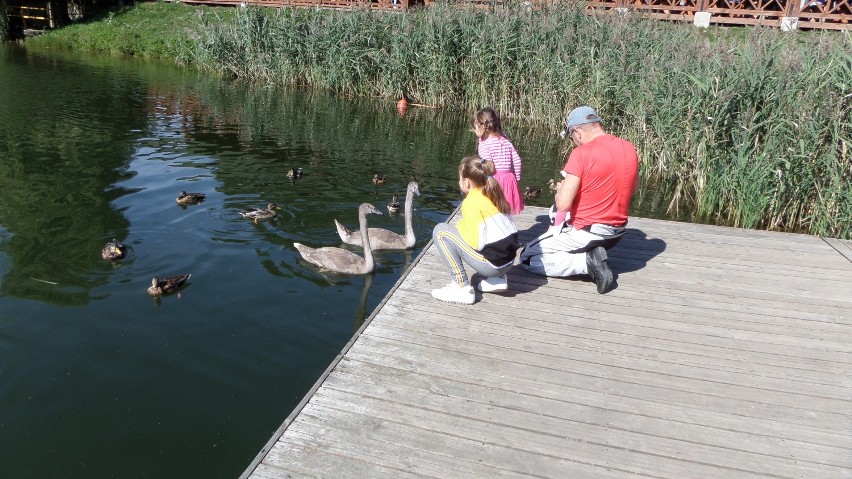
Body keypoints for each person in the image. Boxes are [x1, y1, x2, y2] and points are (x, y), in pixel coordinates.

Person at [520, 106, 639, 294]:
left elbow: (563, 204)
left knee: (527, 257)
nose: (573, 142)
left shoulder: (581, 153)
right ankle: (591, 256)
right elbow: (632, 188)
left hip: (588, 232)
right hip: (616, 233)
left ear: (577, 131)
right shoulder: (629, 147)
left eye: (571, 137)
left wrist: (561, 190)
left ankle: (587, 263)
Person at [431, 155, 521, 305]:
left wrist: (461, 226)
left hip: (493, 266)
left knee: (441, 231)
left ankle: (461, 287)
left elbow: (475, 243)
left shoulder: (471, 201)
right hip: (508, 262)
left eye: (459, 178)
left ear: (466, 181)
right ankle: (497, 280)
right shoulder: (493, 194)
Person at [472, 107, 524, 215]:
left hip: (495, 180)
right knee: (506, 211)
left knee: (492, 210)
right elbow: (517, 161)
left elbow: (488, 166)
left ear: (482, 126)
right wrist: (516, 179)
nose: (474, 130)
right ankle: (508, 230)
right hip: (509, 179)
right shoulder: (505, 140)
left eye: (475, 128)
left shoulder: (484, 144)